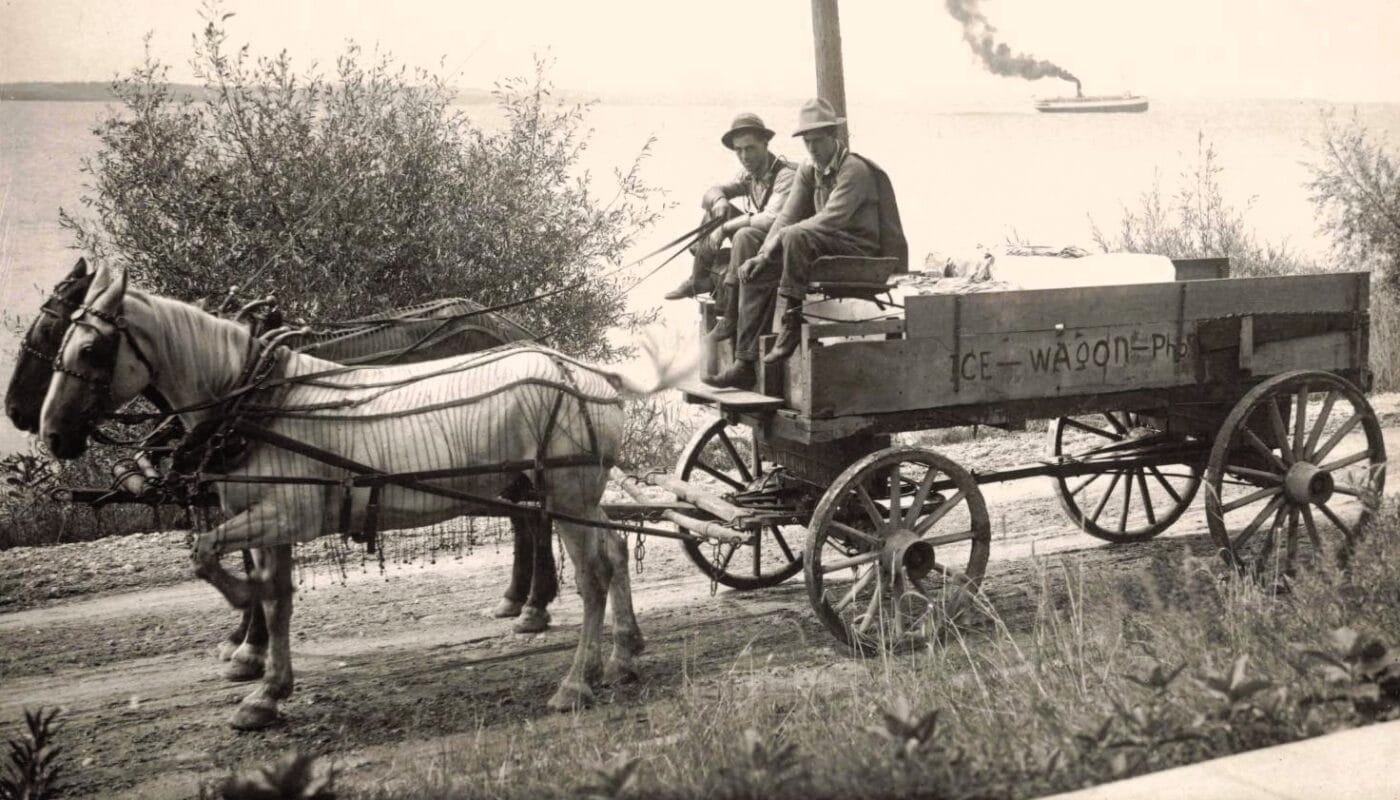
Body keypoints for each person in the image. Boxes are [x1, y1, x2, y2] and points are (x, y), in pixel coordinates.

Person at [703, 98, 906, 389]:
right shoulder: (809, 169)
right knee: (747, 237)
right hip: (821, 246)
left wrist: (780, 242)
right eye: (807, 142)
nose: (812, 149)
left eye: (818, 141)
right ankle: (745, 361)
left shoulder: (854, 170)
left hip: (858, 251)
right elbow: (786, 216)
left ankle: (792, 321)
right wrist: (761, 256)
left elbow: (829, 220)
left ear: (833, 137)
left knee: (796, 236)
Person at [664, 113, 796, 314]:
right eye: (739, 150)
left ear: (765, 143)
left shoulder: (785, 176)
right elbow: (712, 192)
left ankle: (703, 276)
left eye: (750, 148)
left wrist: (725, 227)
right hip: (756, 239)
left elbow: (771, 219)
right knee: (717, 210)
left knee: (732, 226)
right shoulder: (749, 175)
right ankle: (699, 279)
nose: (744, 156)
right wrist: (720, 200)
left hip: (780, 245)